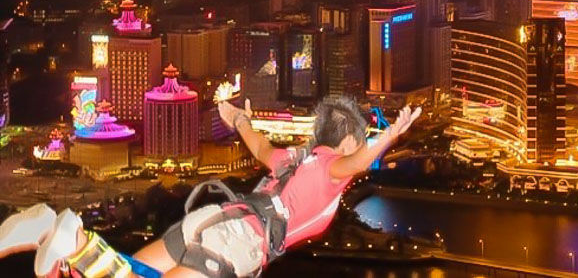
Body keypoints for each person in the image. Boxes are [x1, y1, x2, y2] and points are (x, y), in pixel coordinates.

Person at [0, 96, 421, 277]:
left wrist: (238, 119)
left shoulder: (292, 161)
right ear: (346, 141)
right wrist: (387, 137)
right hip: (234, 242)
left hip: (211, 219)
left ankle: (54, 238)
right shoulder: (331, 169)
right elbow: (356, 163)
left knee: (130, 270)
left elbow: (258, 144)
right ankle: (69, 237)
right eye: (359, 140)